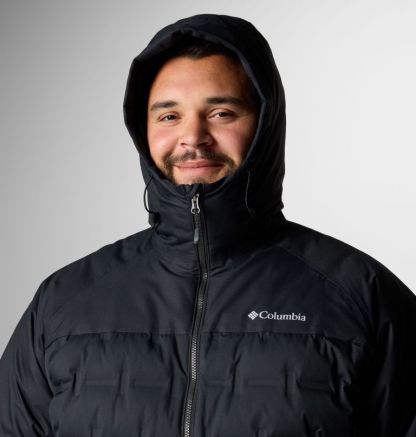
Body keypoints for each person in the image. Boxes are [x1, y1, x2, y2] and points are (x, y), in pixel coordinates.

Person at [1, 13, 415, 437]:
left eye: (221, 113)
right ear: (144, 131)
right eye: (169, 116)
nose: (193, 136)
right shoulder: (64, 302)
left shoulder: (362, 296)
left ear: (264, 125)